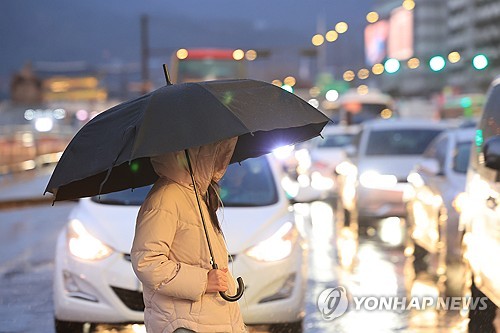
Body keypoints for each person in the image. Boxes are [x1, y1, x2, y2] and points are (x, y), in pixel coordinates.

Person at [131, 137, 247, 333]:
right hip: (185, 324)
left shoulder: (194, 195)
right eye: (212, 147)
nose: (217, 156)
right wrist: (203, 281)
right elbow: (147, 261)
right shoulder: (167, 197)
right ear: (197, 152)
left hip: (206, 320)